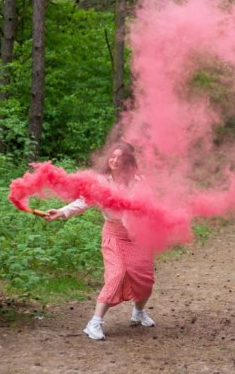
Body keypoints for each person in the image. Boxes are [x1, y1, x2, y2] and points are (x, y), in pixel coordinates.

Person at [45, 142, 156, 341]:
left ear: (128, 162)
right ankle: (94, 322)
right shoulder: (101, 182)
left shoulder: (139, 181)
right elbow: (83, 201)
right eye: (112, 156)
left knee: (145, 278)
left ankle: (138, 313)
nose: (114, 160)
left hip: (138, 236)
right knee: (118, 273)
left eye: (120, 157)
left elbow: (148, 205)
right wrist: (62, 211)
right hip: (114, 234)